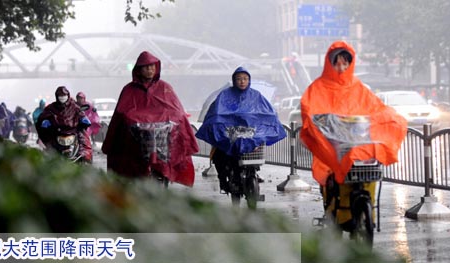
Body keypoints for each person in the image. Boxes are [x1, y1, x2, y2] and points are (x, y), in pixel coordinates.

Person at [298, 40, 407, 229]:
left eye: (345, 62)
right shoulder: (317, 88)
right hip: (333, 146)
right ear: (330, 63)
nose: (341, 66)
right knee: (331, 181)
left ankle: (364, 214)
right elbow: (310, 110)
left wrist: (390, 118)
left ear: (351, 63)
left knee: (368, 172)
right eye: (337, 62)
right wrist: (324, 124)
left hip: (358, 144)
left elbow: (376, 108)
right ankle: (332, 213)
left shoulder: (359, 88)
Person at [101, 51, 198, 187]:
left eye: (152, 67)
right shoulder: (129, 90)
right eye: (146, 67)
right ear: (139, 70)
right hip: (135, 140)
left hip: (162, 139)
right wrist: (132, 122)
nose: (150, 70)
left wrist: (174, 121)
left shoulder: (165, 88)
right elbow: (122, 113)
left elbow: (177, 110)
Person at [195, 67, 287, 193]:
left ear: (249, 80)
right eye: (239, 79)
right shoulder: (225, 95)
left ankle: (251, 174)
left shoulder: (256, 96)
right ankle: (223, 180)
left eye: (245, 79)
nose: (242, 82)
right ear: (234, 80)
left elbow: (267, 113)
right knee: (218, 156)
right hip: (229, 134)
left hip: (251, 134)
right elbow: (216, 113)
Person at [36, 86, 93, 163]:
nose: (62, 97)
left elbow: (80, 113)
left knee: (85, 144)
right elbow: (42, 117)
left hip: (74, 132)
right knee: (49, 150)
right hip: (56, 133)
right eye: (60, 95)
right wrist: (46, 122)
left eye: (64, 95)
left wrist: (83, 119)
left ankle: (86, 162)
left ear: (68, 95)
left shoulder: (74, 106)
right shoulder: (51, 107)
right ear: (57, 96)